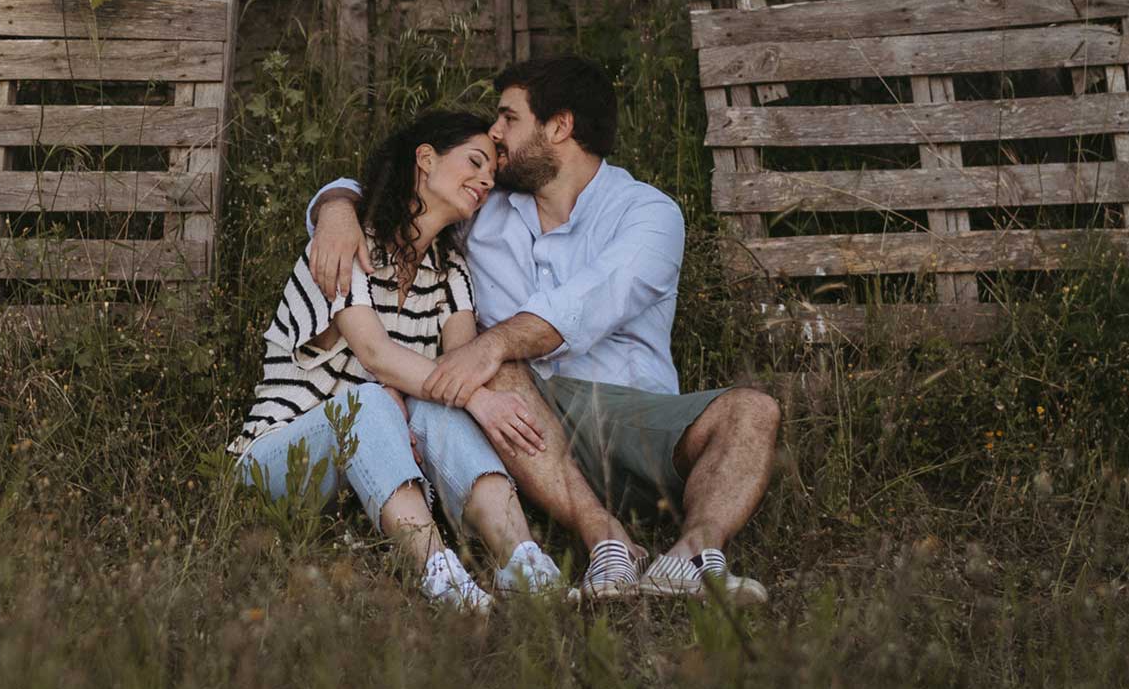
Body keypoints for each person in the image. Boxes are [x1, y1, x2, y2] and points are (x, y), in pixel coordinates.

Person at [308, 57, 780, 601]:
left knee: (753, 411)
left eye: (508, 118)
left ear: (559, 127)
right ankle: (607, 540)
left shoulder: (647, 213)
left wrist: (491, 346)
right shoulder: (485, 210)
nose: (494, 133)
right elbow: (404, 189)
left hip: (625, 419)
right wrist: (337, 207)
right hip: (519, 426)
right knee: (502, 368)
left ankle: (690, 558)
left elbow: (587, 303)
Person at [231, 109, 567, 612]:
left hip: (369, 462)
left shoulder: (451, 272)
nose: (483, 180)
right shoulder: (343, 246)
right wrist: (474, 398)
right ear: (425, 160)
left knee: (448, 407)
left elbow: (457, 370)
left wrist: (465, 396)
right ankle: (439, 573)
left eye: (491, 175)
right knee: (372, 402)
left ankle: (523, 561)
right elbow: (374, 353)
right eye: (474, 162)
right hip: (277, 459)